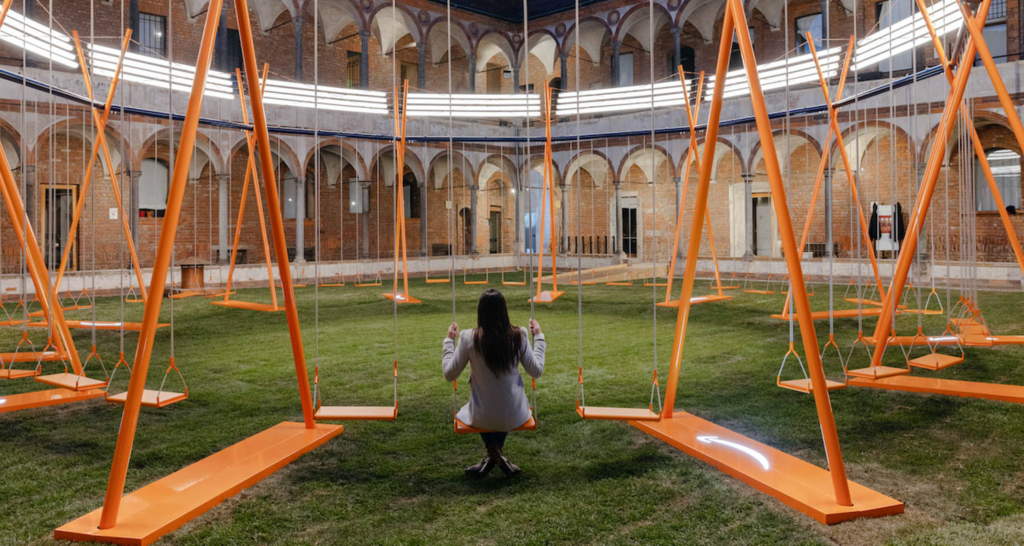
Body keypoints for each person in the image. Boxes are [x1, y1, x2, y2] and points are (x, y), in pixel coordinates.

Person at [442, 288, 545, 478]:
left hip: (482, 416)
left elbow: (449, 374)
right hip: (515, 415)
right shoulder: (519, 335)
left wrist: (449, 341)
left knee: (479, 407)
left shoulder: (468, 338)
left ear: (480, 312)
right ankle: (497, 456)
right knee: (498, 404)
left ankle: (492, 455)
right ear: (504, 310)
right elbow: (536, 371)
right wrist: (538, 337)